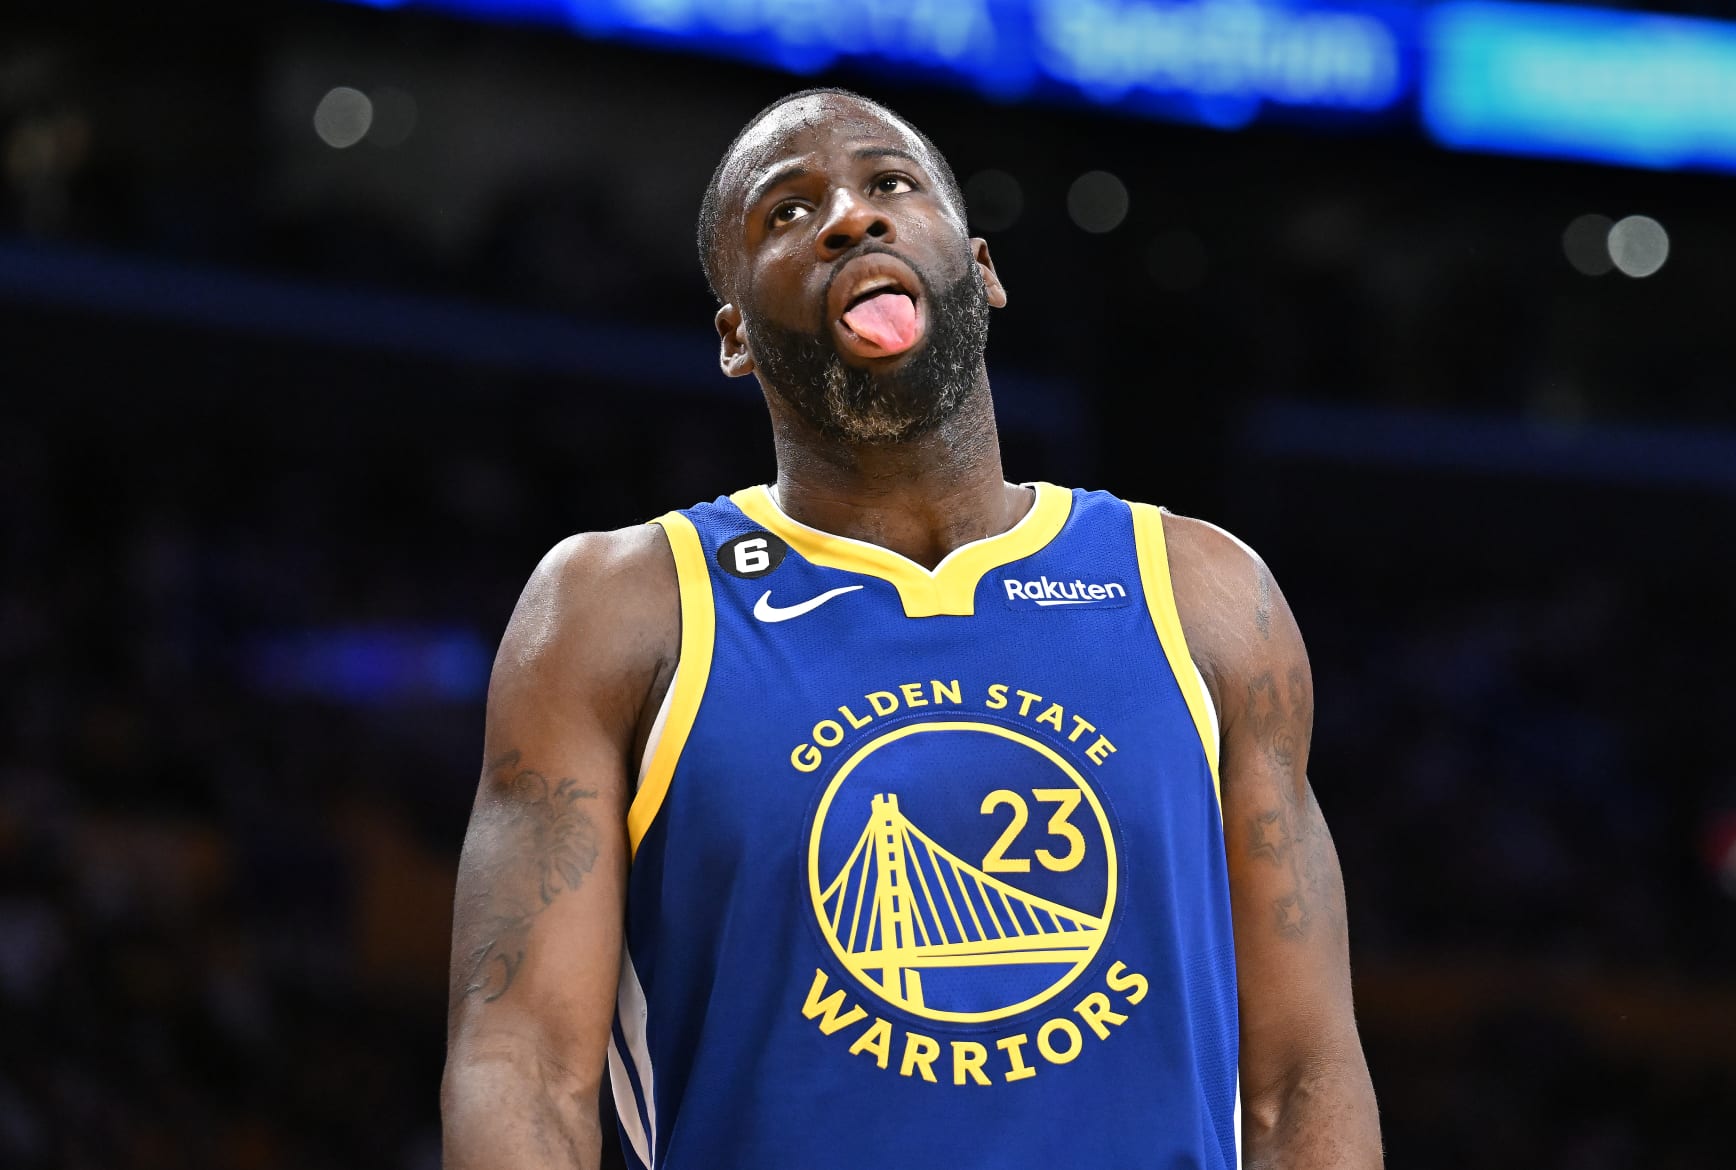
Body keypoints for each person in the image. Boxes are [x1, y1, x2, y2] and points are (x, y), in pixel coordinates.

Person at [441, 87, 1381, 1170]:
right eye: (786, 212)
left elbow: (1305, 1071)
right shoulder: (615, 606)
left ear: (981, 270)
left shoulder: (1206, 589)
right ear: (735, 334)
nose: (851, 215)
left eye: (891, 184)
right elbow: (521, 1065)